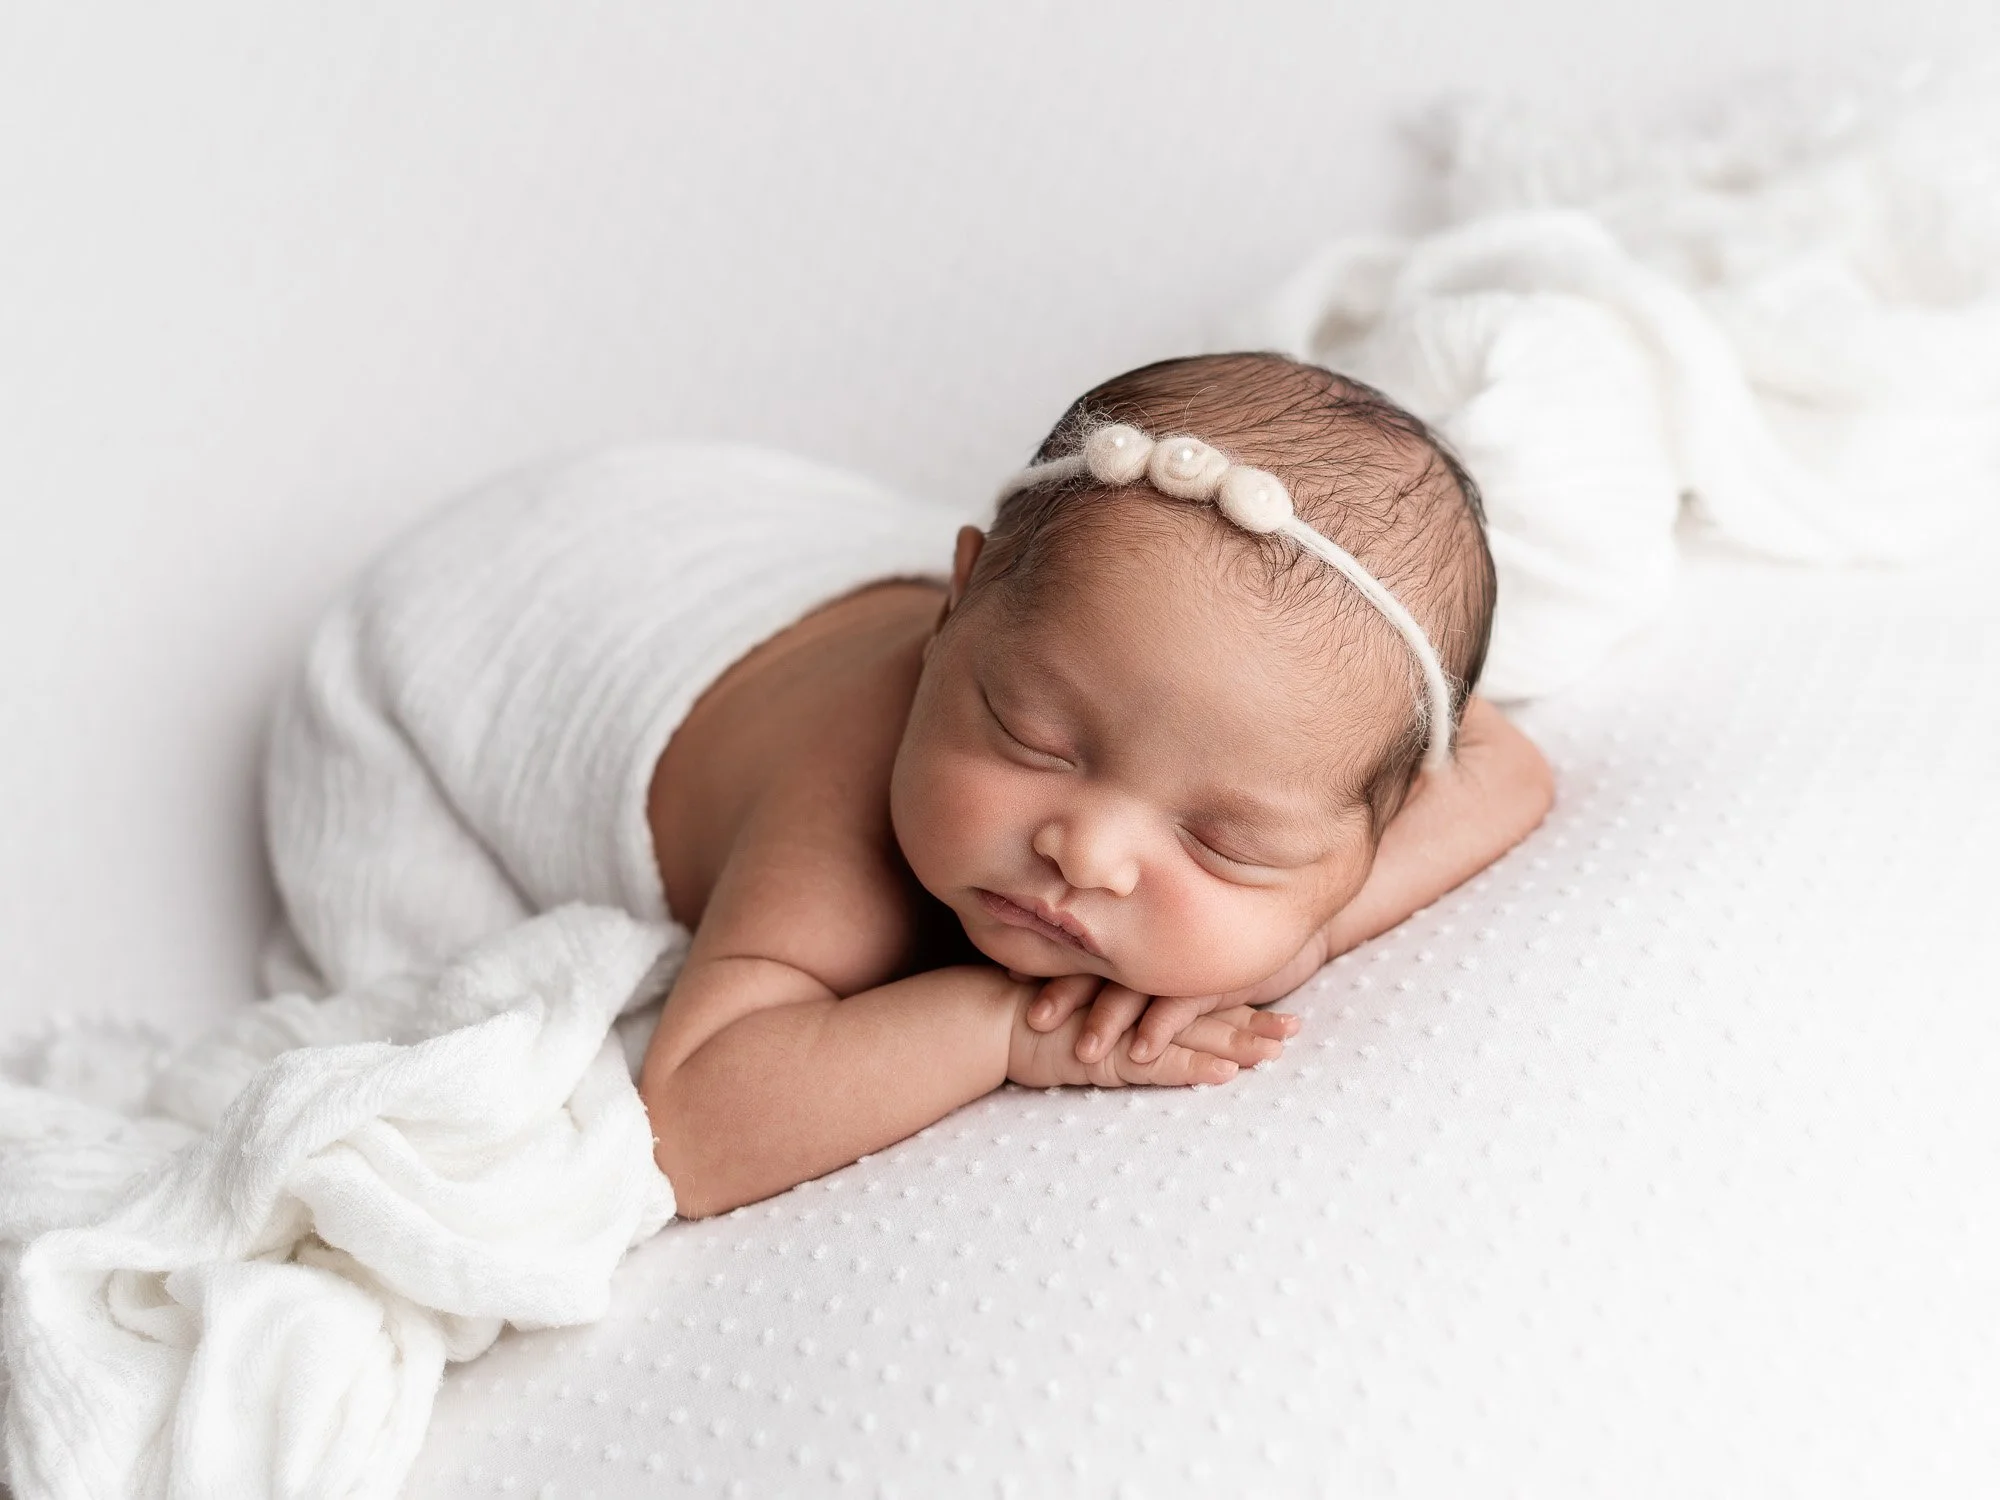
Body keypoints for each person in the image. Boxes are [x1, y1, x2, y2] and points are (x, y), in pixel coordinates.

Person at [260, 352, 1553, 1225]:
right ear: (960, 600)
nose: (1086, 852)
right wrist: (1009, 1027)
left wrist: (1299, 928)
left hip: (714, 547)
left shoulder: (1277, 753)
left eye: (1222, 840)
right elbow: (694, 1124)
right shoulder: (842, 818)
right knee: (425, 1012)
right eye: (1033, 741)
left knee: (1130, 629)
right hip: (449, 653)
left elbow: (1506, 768)